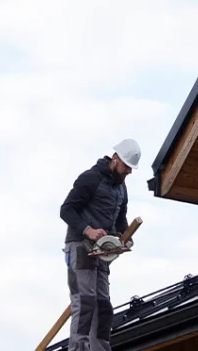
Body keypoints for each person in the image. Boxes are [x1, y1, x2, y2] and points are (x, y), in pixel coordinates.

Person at [59, 138, 142, 351]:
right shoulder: (90, 179)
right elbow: (66, 210)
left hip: (102, 252)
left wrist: (125, 237)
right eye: (126, 167)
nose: (129, 172)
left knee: (103, 306)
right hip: (80, 247)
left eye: (131, 169)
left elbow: (121, 221)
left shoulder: (121, 190)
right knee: (85, 302)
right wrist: (88, 230)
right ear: (115, 159)